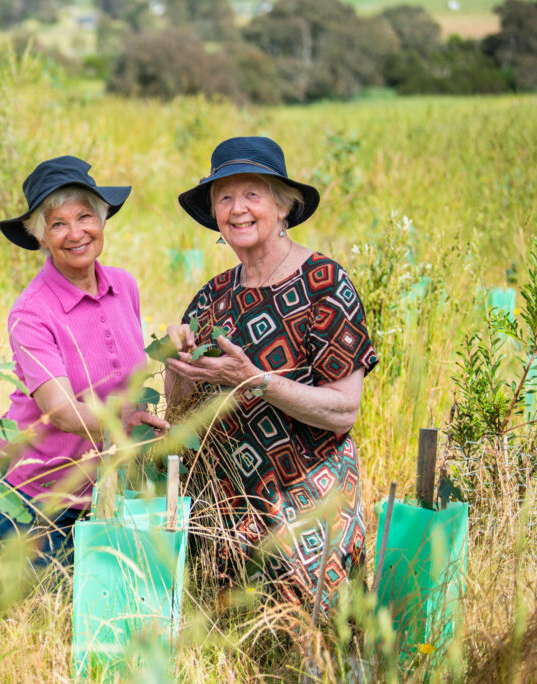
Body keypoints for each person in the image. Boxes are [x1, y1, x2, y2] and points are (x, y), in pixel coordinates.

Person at [165, 136, 378, 613]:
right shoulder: (212, 296)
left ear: (283, 207)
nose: (237, 208)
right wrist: (175, 365)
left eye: (252, 194)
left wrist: (255, 379)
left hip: (309, 512)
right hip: (228, 516)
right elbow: (179, 409)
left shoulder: (324, 283)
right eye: (224, 197)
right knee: (239, 653)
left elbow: (344, 410)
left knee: (315, 652)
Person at [0, 155, 169, 570]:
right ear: (40, 237)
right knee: (43, 624)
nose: (76, 233)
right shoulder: (31, 311)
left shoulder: (123, 286)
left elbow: (131, 378)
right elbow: (63, 411)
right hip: (38, 502)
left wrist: (171, 357)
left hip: (106, 491)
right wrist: (127, 422)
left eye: (85, 217)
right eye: (58, 223)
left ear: (102, 221)